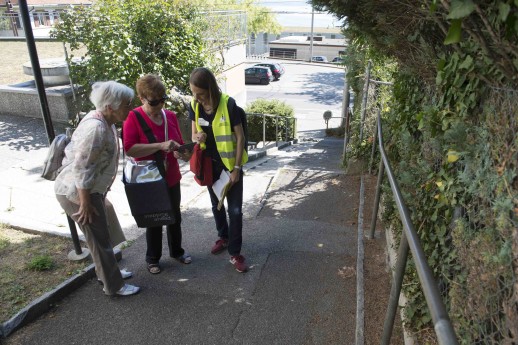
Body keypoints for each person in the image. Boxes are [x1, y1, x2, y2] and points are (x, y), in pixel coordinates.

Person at [55, 81, 139, 296]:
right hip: (77, 192)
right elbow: (83, 168)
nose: (129, 108)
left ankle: (109, 274)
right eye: (126, 104)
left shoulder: (106, 121)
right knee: (98, 240)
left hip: (89, 190)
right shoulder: (96, 128)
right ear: (110, 106)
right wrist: (85, 203)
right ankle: (114, 286)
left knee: (105, 229)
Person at [123, 74, 191, 275]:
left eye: (163, 99)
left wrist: (183, 152)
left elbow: (178, 144)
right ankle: (152, 258)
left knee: (174, 216)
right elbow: (130, 149)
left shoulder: (169, 116)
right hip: (149, 179)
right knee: (154, 219)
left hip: (171, 176)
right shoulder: (133, 117)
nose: (160, 105)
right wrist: (160, 146)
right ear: (142, 98)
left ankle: (177, 251)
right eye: (155, 101)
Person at [188, 67, 249, 273]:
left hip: (231, 166)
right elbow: (193, 134)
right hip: (209, 166)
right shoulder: (195, 106)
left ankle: (235, 253)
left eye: (200, 93)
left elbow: (240, 137)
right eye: (194, 92)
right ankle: (223, 237)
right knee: (217, 206)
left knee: (236, 211)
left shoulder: (229, 104)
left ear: (210, 89)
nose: (197, 97)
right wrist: (198, 137)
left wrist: (237, 169)